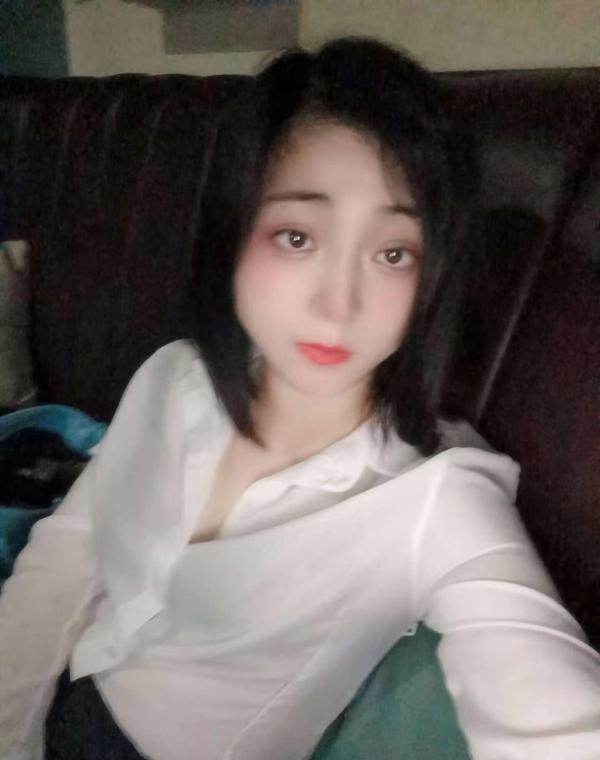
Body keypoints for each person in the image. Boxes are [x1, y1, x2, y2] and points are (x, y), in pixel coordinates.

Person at [1, 36, 599, 760]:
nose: (338, 305)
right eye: (296, 236)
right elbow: (68, 554)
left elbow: (552, 708)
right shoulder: (173, 378)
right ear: (234, 233)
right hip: (61, 691)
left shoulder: (436, 500)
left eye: (392, 253)